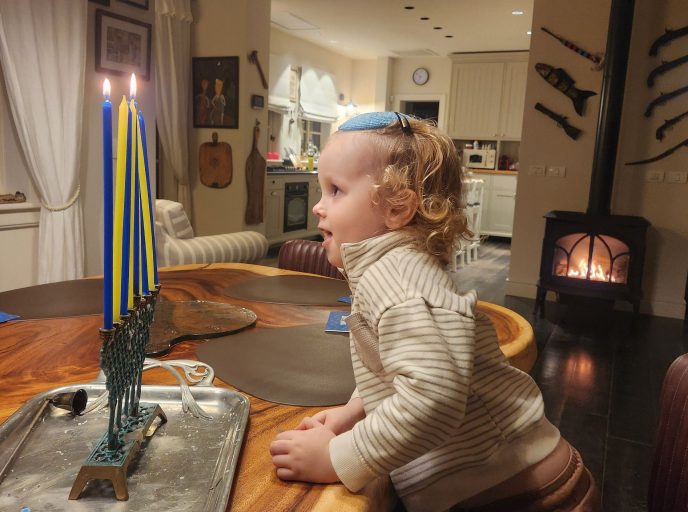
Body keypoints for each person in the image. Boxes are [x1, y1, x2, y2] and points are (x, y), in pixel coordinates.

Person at [270, 112, 600, 512]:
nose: (318, 207)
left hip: (530, 495)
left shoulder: (397, 281)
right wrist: (354, 411)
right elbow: (394, 366)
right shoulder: (389, 268)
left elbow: (434, 398)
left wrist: (338, 457)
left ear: (397, 208)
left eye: (335, 190)